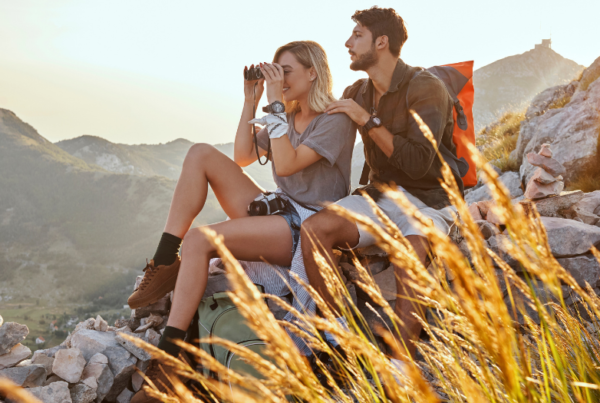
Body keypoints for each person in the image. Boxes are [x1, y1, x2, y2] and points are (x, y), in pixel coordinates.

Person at [127, 40, 356, 403]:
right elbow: (243, 156)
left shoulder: (335, 119)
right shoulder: (289, 117)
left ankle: (169, 365)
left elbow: (287, 164)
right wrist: (251, 98)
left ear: (313, 73)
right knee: (200, 153)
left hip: (308, 225)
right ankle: (165, 258)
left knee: (201, 240)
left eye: (286, 72)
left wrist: (276, 107)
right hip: (280, 209)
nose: (279, 80)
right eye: (275, 72)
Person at [301, 7, 463, 378]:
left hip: (431, 197)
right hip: (378, 194)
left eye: (356, 35)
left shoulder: (426, 88)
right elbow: (316, 126)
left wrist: (366, 119)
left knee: (412, 252)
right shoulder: (357, 91)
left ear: (381, 42)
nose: (347, 43)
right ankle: (338, 342)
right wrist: (275, 109)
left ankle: (400, 369)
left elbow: (419, 162)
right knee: (314, 230)